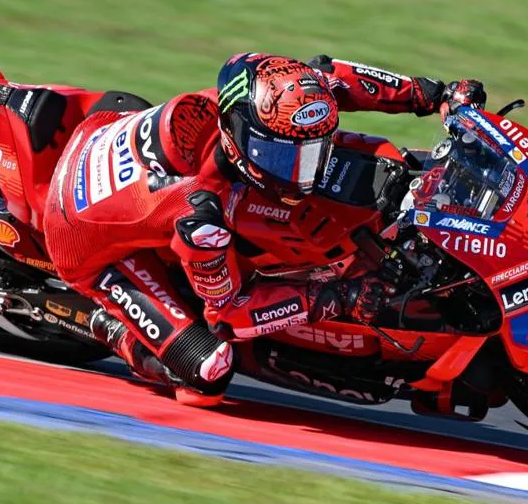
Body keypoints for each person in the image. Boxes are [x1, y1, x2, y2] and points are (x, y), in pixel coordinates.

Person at [42, 52, 485, 405]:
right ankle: (109, 326)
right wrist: (333, 297)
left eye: (314, 151)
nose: (304, 173)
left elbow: (334, 77)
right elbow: (228, 314)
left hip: (103, 131)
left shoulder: (267, 100)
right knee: (207, 371)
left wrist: (435, 96)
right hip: (85, 244)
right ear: (239, 136)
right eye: (284, 158)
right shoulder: (202, 215)